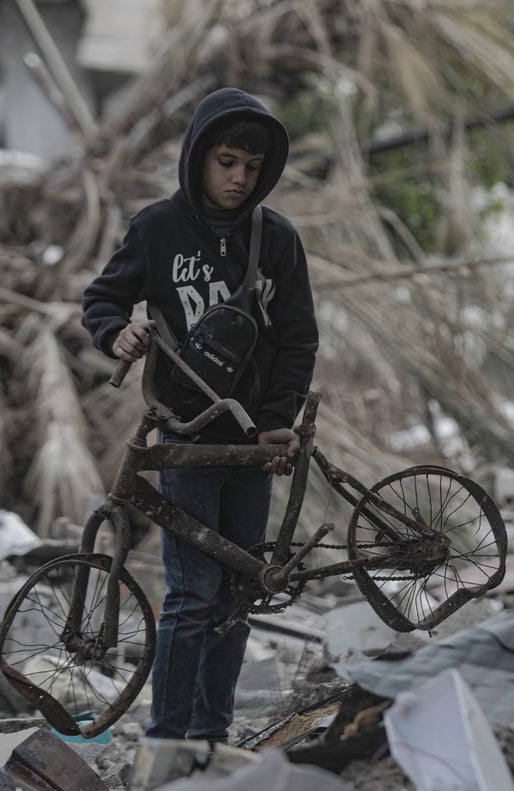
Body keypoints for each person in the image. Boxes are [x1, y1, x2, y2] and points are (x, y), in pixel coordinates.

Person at [80, 88, 319, 743]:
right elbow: (102, 299)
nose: (239, 177)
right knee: (190, 594)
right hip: (184, 435)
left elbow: (298, 339)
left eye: (251, 165)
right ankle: (167, 739)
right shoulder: (157, 229)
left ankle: (210, 737)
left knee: (237, 595)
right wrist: (116, 334)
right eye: (226, 161)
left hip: (252, 445)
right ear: (199, 158)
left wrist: (278, 419)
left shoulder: (276, 240)